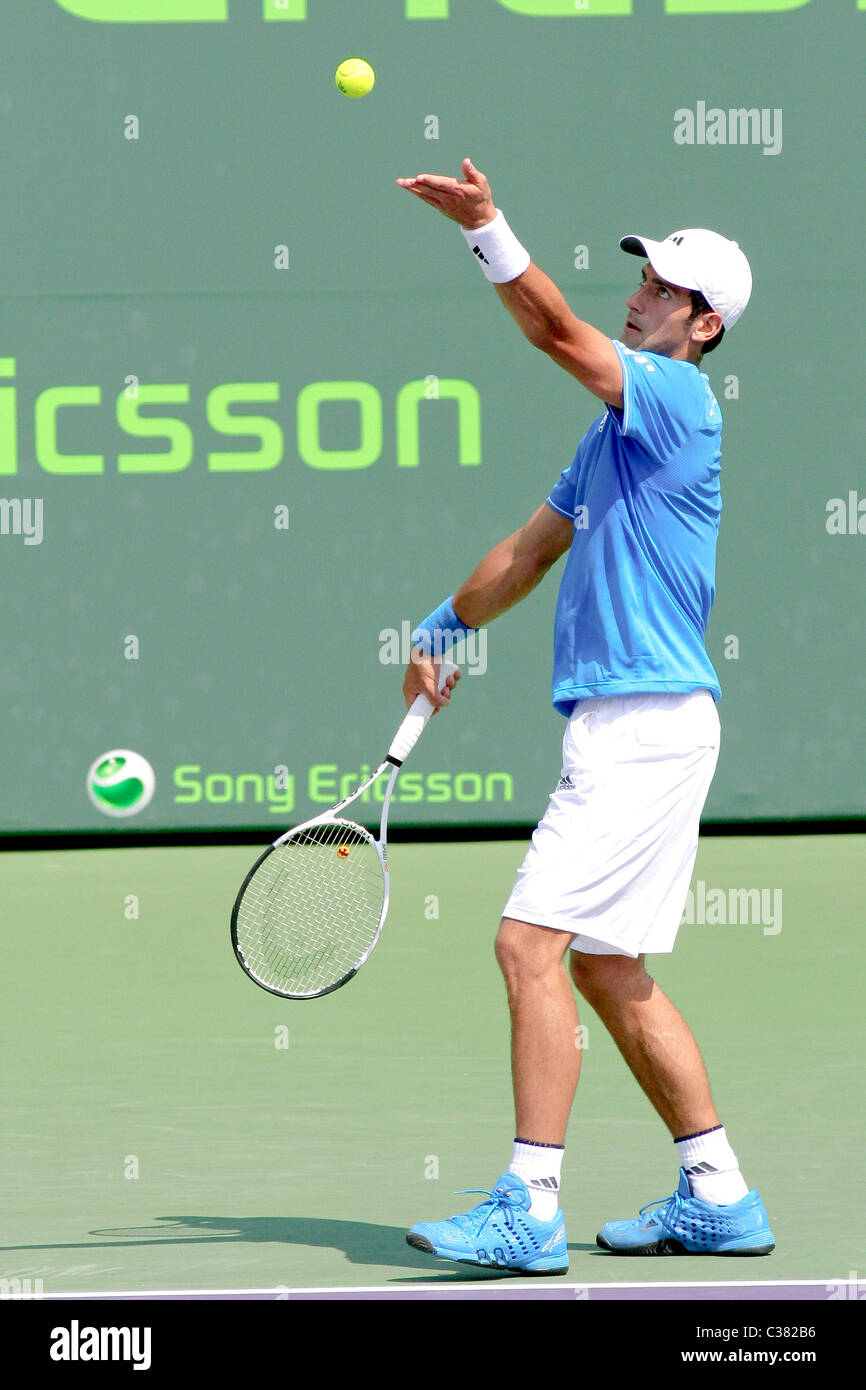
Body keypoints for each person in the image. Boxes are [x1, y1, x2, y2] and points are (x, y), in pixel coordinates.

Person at [395, 158, 774, 1273]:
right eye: (642, 278)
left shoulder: (675, 398)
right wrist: (440, 627)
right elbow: (527, 551)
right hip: (653, 724)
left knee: (527, 945)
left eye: (660, 287)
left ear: (702, 325)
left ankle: (529, 1202)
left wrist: (486, 228)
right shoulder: (611, 438)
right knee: (607, 968)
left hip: (639, 725)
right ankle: (717, 1191)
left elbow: (553, 331)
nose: (638, 294)